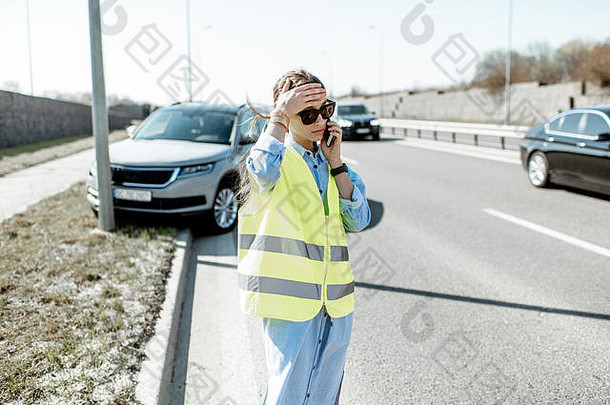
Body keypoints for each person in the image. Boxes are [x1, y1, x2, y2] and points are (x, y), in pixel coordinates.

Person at [236, 68, 371, 405]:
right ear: (285, 113)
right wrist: (279, 115)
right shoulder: (274, 157)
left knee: (325, 396)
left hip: (335, 302)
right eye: (307, 113)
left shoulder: (334, 163)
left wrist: (337, 163)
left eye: (326, 110)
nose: (320, 121)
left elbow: (359, 220)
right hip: (290, 302)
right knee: (288, 395)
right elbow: (262, 171)